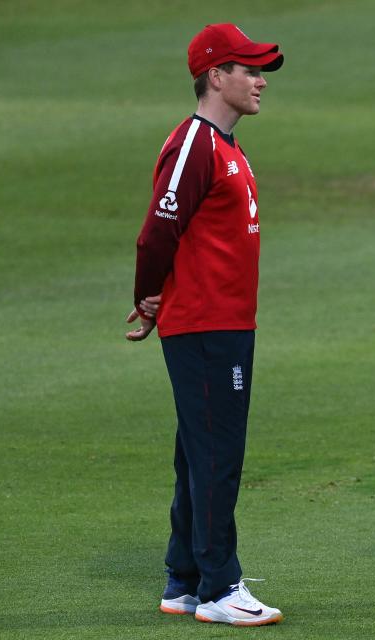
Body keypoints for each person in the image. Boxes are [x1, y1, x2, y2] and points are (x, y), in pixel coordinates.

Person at [124, 23, 284, 627]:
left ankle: (185, 579)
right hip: (206, 326)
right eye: (248, 69)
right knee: (217, 454)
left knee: (198, 452)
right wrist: (147, 298)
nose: (259, 80)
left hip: (222, 322)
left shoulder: (225, 145)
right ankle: (220, 587)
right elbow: (157, 230)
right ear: (216, 76)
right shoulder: (196, 143)